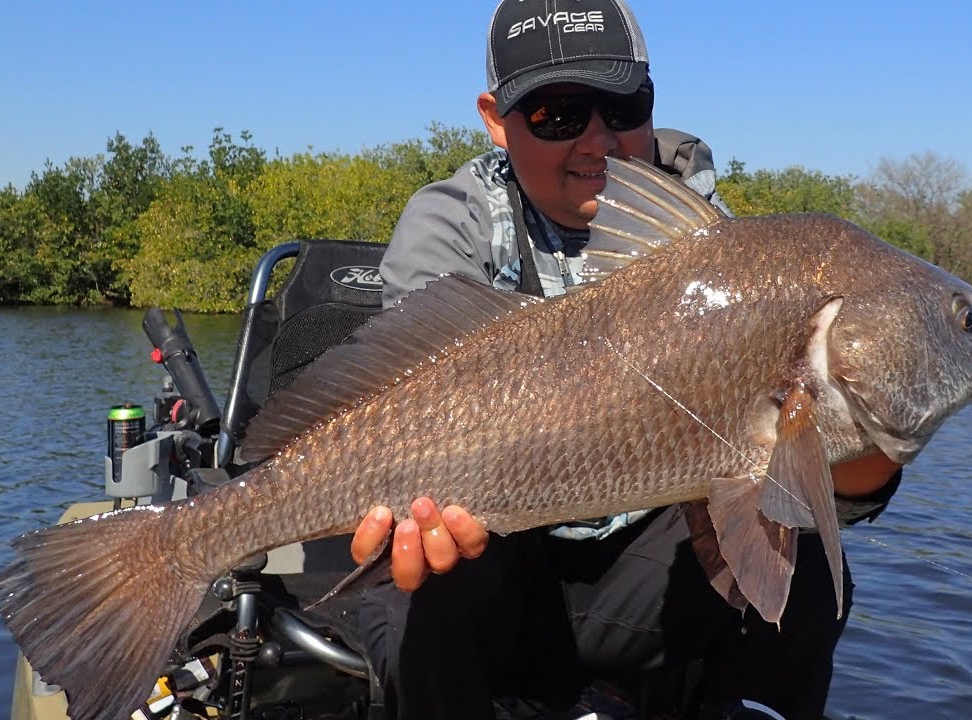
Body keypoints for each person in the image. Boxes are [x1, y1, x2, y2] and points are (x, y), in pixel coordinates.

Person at [349, 1, 904, 718]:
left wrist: (875, 441)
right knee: (425, 585)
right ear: (495, 117)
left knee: (809, 566)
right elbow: (398, 403)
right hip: (503, 580)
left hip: (642, 584)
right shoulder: (450, 226)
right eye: (556, 115)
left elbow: (809, 478)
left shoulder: (723, 248)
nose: (598, 142)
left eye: (623, 106)